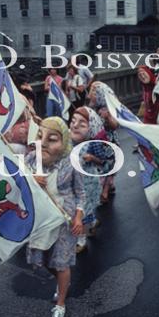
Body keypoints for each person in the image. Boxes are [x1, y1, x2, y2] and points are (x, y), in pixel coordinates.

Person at [27, 117, 85, 317]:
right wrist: (31, 178)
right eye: (40, 136)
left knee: (61, 262)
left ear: (64, 141)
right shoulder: (31, 159)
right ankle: (63, 283)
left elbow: (81, 193)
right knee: (44, 260)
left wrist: (78, 216)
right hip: (42, 217)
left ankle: (60, 303)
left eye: (52, 139)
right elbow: (19, 184)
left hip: (64, 219)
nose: (43, 143)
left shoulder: (72, 163)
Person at [69, 107, 106, 253]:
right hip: (72, 184)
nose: (75, 125)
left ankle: (81, 241)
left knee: (81, 212)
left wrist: (92, 158)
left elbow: (102, 161)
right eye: (73, 121)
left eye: (82, 124)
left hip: (87, 184)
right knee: (85, 210)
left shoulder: (92, 144)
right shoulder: (68, 140)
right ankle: (94, 222)